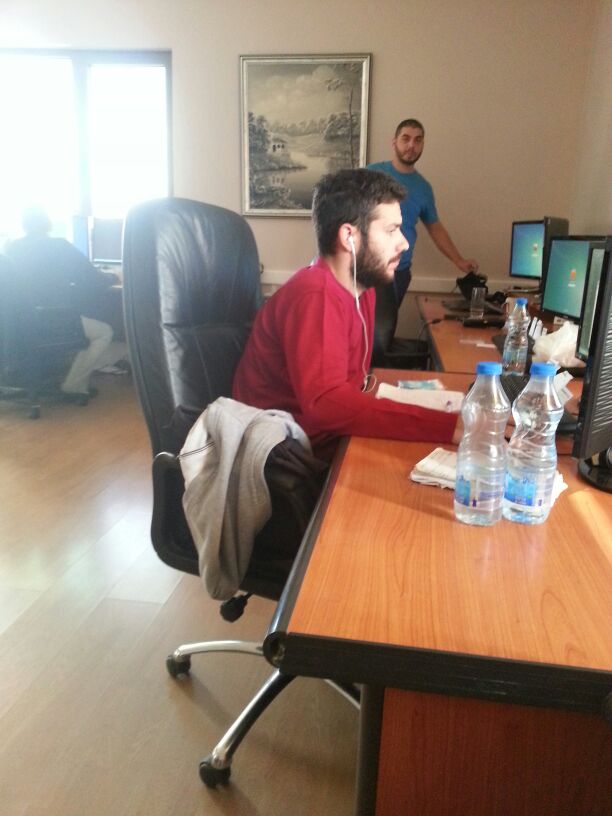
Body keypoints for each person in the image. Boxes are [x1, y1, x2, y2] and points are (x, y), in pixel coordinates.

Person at [232, 168, 461, 461]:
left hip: (328, 439)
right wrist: (450, 426)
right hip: (286, 455)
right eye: (391, 230)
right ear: (348, 236)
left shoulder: (362, 288)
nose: (404, 243)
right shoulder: (316, 294)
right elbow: (327, 405)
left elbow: (350, 387)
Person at [5, 206, 115, 401]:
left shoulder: (11, 249)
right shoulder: (59, 246)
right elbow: (92, 278)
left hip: (17, 325)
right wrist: (112, 277)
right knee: (104, 332)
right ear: (47, 224)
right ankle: (73, 385)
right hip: (53, 321)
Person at [368, 118, 479, 304]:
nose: (411, 145)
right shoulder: (372, 174)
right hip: (368, 270)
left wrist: (458, 260)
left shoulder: (423, 188)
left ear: (422, 145)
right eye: (406, 139)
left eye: (418, 140)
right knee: (360, 323)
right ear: (394, 142)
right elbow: (348, 212)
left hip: (400, 273)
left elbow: (435, 228)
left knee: (386, 323)